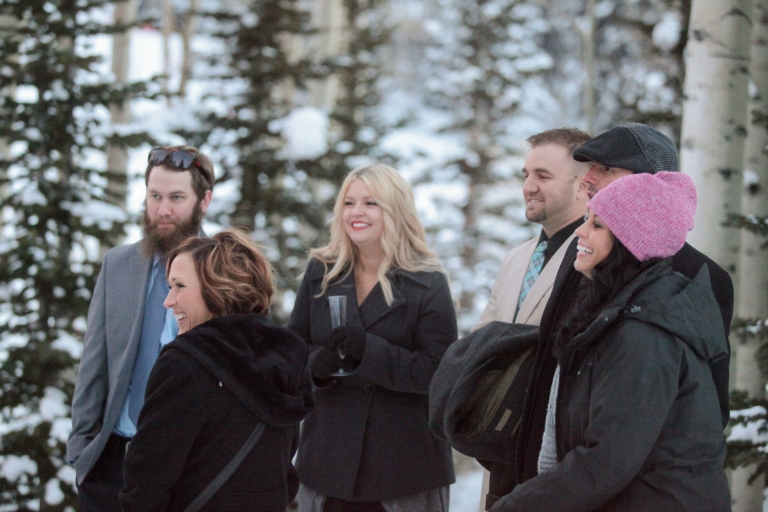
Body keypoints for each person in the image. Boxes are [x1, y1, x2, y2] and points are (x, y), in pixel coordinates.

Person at [511, 123, 735, 490]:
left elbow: (707, 409)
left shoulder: (703, 275)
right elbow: (553, 370)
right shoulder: (585, 254)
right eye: (589, 167)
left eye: (607, 169)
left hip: (634, 485)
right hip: (565, 476)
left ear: (651, 181)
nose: (589, 178)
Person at [288, 163, 457, 512]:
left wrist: (371, 352)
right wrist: (313, 365)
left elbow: (440, 373)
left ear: (394, 210)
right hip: (328, 464)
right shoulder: (321, 271)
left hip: (401, 471)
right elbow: (292, 349)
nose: (356, 212)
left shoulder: (428, 281)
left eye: (370, 203)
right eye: (349, 203)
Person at [119, 230, 313, 511]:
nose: (168, 300)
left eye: (179, 286)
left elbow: (147, 481)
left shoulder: (185, 363)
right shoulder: (284, 360)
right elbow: (284, 475)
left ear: (218, 289)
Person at [67, 146, 215, 511]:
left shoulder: (223, 271)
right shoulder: (118, 264)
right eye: (155, 196)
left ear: (204, 201)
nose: (163, 210)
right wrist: (82, 448)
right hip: (111, 464)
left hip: (186, 467)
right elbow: (94, 361)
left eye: (177, 197)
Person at [472, 128, 591, 510]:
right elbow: (481, 342)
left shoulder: (595, 261)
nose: (528, 186)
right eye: (525, 174)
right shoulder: (516, 258)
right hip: (498, 450)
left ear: (581, 186)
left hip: (550, 460)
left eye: (543, 176)